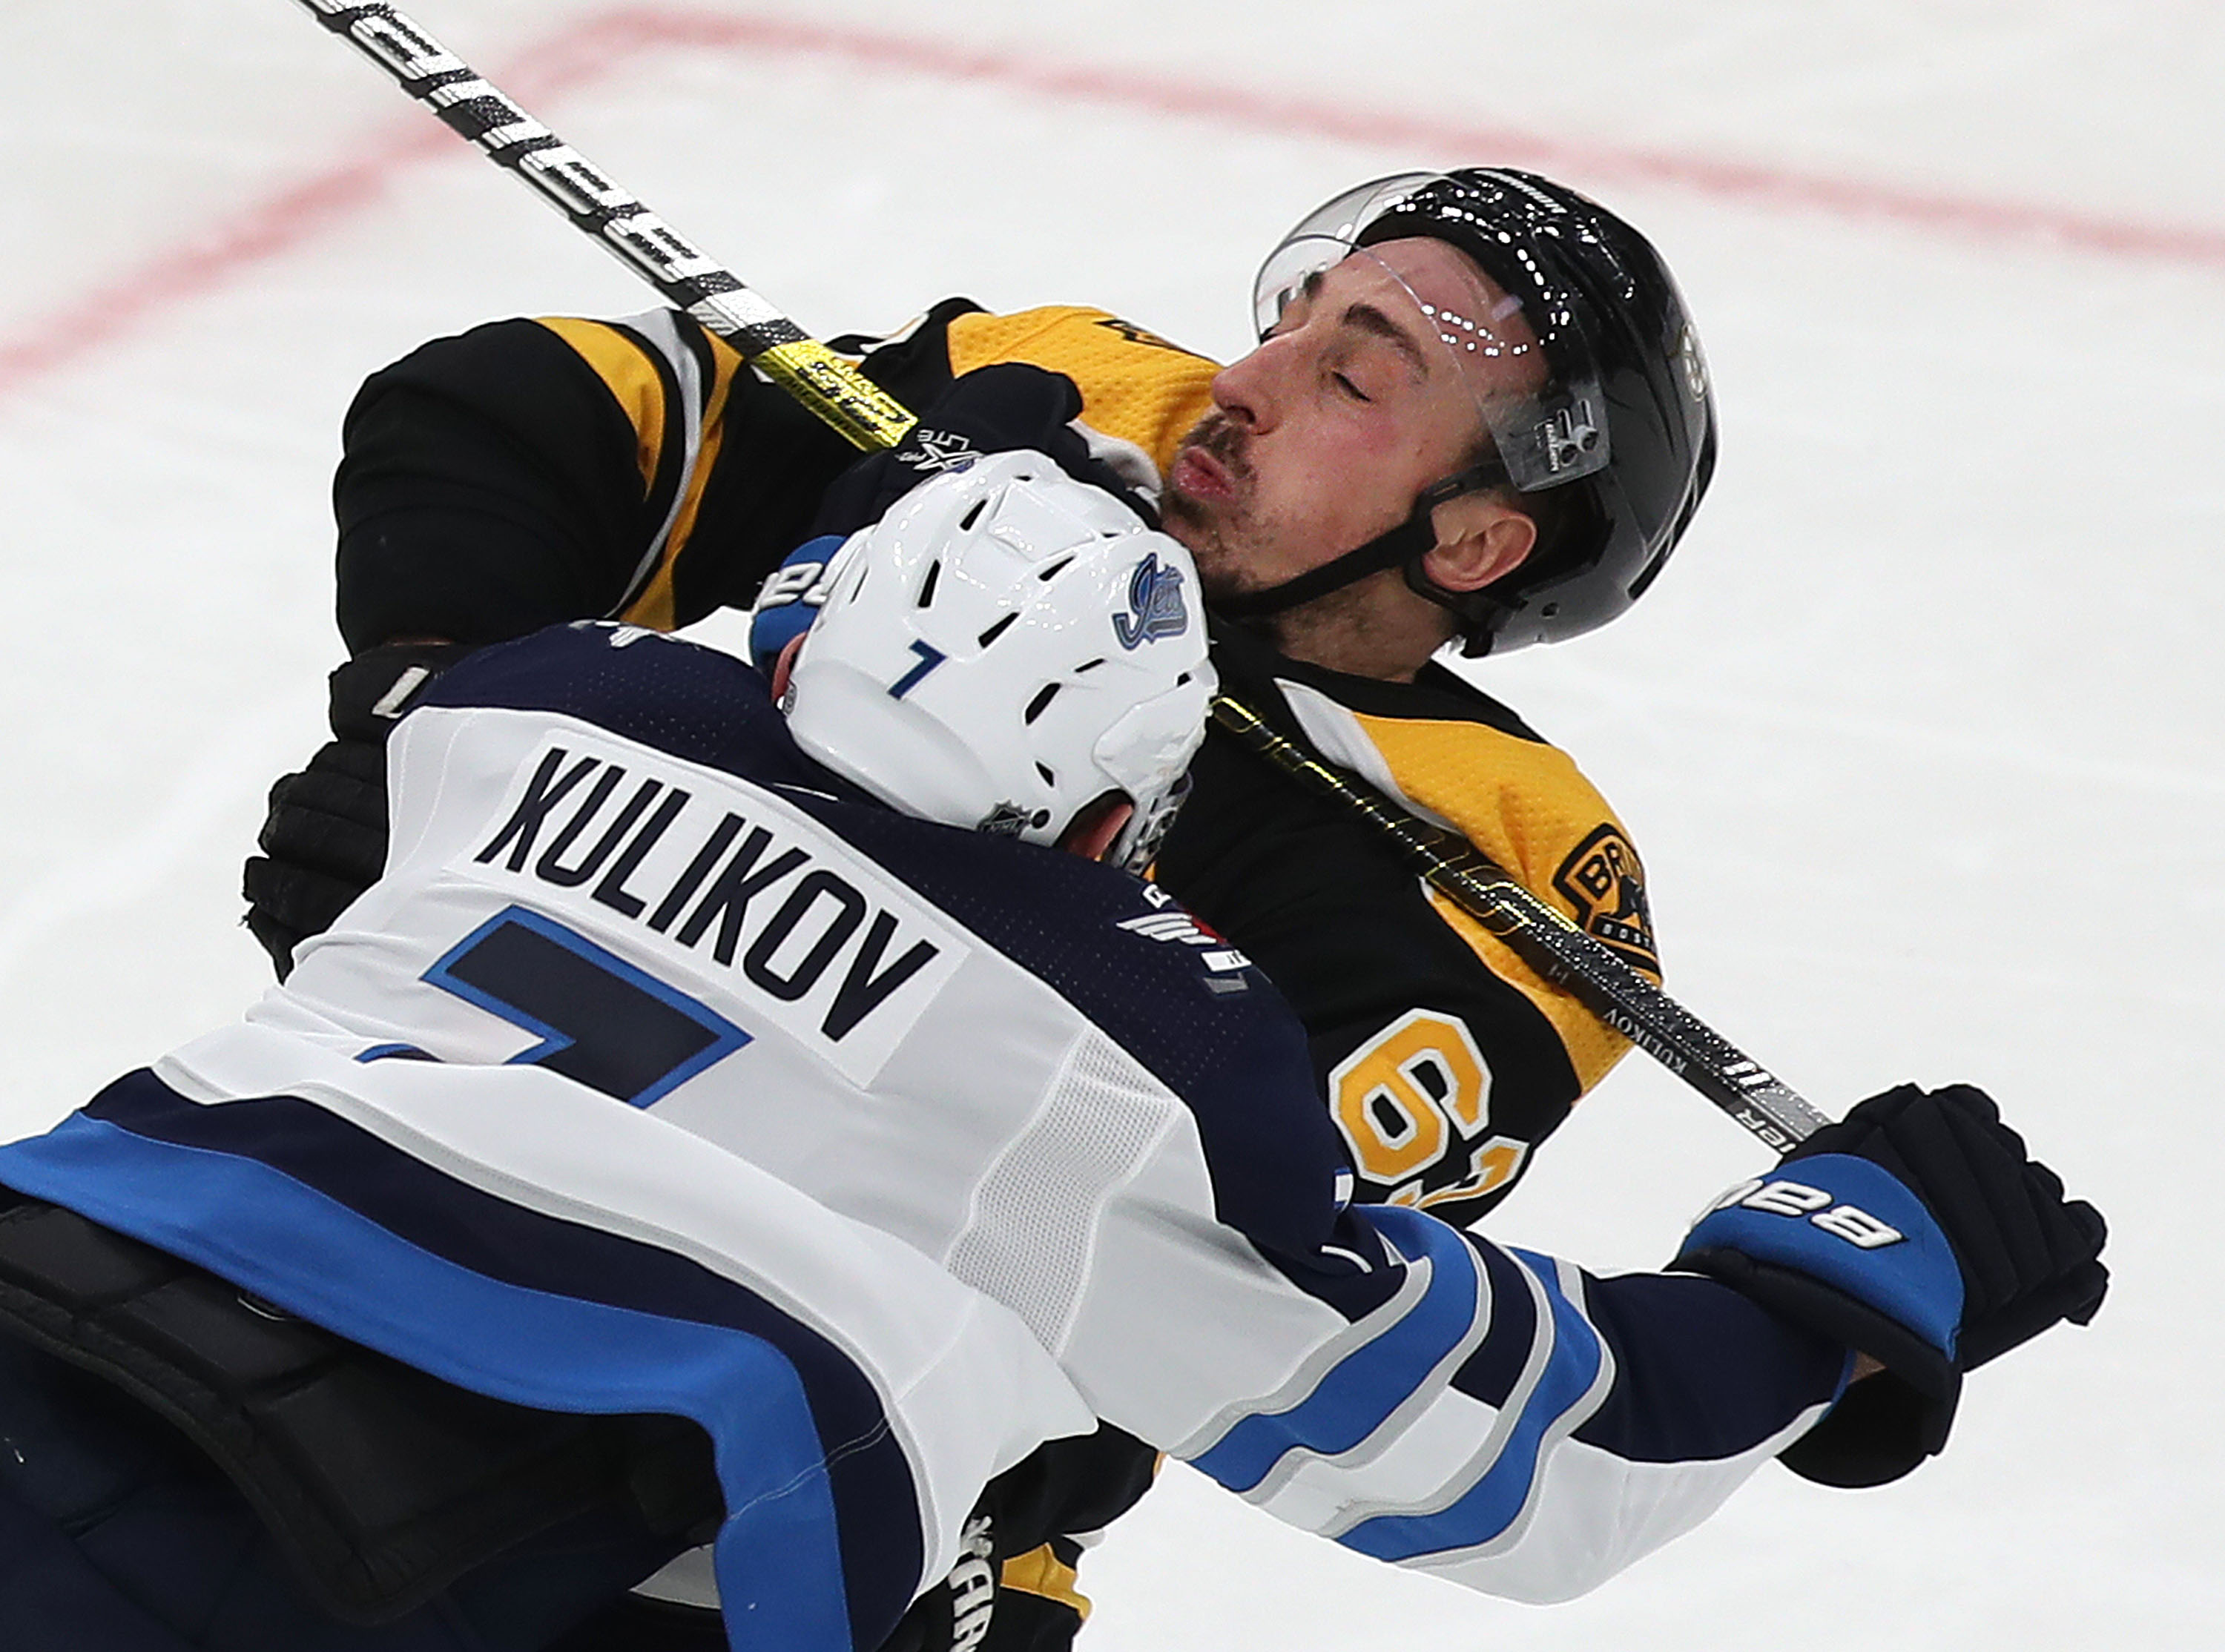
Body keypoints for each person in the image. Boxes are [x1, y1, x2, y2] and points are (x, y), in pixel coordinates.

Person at [0, 455, 2109, 1652]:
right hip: (458, 1561)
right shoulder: (1137, 1050)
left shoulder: (530, 702)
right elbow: (1519, 1464)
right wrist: (1845, 1270)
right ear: (1119, 810)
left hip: (31, 1311)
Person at [233, 166, 1701, 1645]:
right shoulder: (1079, 403)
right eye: (1288, 316)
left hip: (846, 1501)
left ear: (1472, 542)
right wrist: (434, 713)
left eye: (1353, 379)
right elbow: (552, 401)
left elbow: (1209, 1261)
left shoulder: (1504, 879)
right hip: (407, 1227)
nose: (1239, 384)